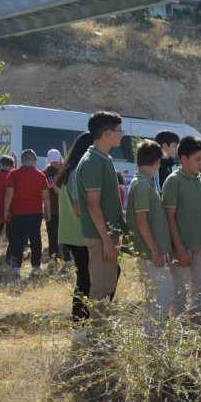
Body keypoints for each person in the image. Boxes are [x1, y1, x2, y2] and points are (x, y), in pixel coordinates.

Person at [77, 112, 125, 317]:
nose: (121, 134)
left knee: (108, 285)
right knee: (100, 288)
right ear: (106, 133)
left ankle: (102, 334)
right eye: (118, 131)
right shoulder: (92, 162)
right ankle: (97, 340)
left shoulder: (104, 158)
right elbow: (93, 205)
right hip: (99, 236)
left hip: (107, 234)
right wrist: (106, 239)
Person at [126, 140, 174, 334]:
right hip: (150, 251)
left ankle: (150, 336)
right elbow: (141, 221)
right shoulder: (143, 185)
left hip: (149, 249)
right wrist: (155, 250)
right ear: (156, 161)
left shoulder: (142, 182)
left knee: (155, 296)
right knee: (163, 296)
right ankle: (155, 338)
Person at [163, 135, 201, 322]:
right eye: (197, 159)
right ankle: (178, 329)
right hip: (181, 247)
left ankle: (196, 326)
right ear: (183, 159)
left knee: (199, 289)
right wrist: (180, 248)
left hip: (200, 245)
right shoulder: (173, 181)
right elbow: (170, 217)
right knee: (180, 292)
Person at [55, 133, 94, 322]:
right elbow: (79, 209)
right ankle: (80, 322)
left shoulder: (68, 169)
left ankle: (81, 321)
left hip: (71, 233)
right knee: (85, 281)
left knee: (85, 279)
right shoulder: (77, 171)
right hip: (80, 234)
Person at [4, 149, 50, 277]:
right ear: (34, 160)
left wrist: (6, 210)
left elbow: (9, 194)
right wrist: (48, 212)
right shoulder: (41, 175)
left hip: (18, 212)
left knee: (17, 240)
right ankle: (36, 266)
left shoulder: (13, 174)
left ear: (23, 160)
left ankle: (16, 267)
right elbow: (46, 197)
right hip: (35, 213)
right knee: (36, 240)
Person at [44, 148, 71, 264]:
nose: (56, 164)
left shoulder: (65, 171)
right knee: (52, 233)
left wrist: (55, 187)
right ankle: (53, 256)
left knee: (65, 233)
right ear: (49, 161)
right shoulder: (45, 173)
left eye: (57, 161)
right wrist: (48, 187)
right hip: (52, 208)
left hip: (64, 207)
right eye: (53, 162)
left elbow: (67, 189)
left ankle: (67, 257)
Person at [0, 155, 14, 264]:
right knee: (13, 238)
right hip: (11, 212)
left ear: (0, 164)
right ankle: (9, 259)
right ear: (12, 166)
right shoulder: (13, 178)